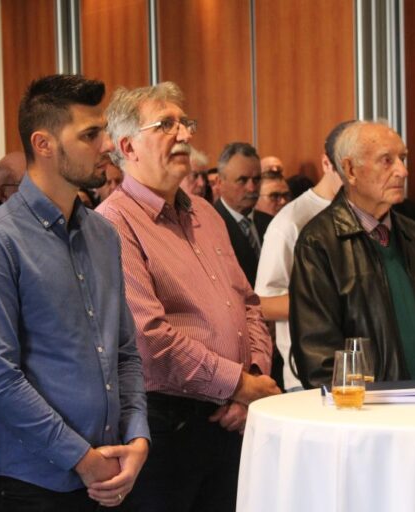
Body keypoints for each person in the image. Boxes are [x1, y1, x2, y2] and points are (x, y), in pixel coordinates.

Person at [0, 74, 150, 511]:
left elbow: (124, 353)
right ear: (43, 144)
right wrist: (80, 457)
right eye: (90, 135)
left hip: (111, 474)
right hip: (32, 487)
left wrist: (138, 437)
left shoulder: (103, 234)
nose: (107, 145)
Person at [97, 81, 278, 512]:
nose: (184, 134)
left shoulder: (207, 214)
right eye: (166, 125)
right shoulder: (113, 223)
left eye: (185, 123)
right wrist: (238, 384)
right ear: (128, 146)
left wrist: (252, 375)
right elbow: (149, 338)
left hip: (233, 420)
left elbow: (248, 305)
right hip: (168, 427)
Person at [290, 121, 415, 388]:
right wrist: (353, 408)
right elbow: (317, 352)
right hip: (366, 408)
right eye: (387, 160)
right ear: (350, 170)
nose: (403, 171)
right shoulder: (319, 243)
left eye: (402, 159)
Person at [255, 121, 348, 391]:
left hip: (365, 369)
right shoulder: (291, 222)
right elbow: (264, 303)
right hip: (311, 375)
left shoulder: (372, 214)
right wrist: (336, 301)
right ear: (327, 163)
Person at [214, 142, 272, 287]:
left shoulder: (271, 224)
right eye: (242, 180)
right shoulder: (208, 226)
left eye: (256, 180)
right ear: (219, 182)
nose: (252, 188)